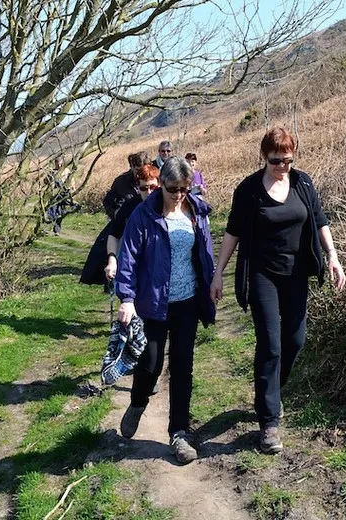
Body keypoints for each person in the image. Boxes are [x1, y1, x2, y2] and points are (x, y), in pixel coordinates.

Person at [210, 127, 346, 455]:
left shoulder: (303, 183)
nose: (282, 166)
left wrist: (333, 257)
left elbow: (319, 220)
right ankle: (269, 422)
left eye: (288, 160)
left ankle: (269, 391)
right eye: (276, 161)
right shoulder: (248, 190)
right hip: (263, 275)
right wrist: (218, 274)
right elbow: (233, 232)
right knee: (270, 345)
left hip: (296, 274)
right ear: (264, 157)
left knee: (295, 341)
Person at [115, 156, 216, 464]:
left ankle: (180, 433)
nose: (179, 195)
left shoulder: (196, 210)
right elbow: (128, 257)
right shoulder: (144, 215)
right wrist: (127, 298)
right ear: (161, 184)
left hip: (188, 302)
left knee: (183, 367)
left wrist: (212, 281)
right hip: (152, 304)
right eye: (173, 189)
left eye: (184, 189)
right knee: (150, 364)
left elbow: (205, 249)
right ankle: (138, 402)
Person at [80, 165, 160, 287]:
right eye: (144, 188)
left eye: (153, 187)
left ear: (159, 185)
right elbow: (114, 234)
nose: (149, 192)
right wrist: (112, 260)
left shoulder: (167, 205)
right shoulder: (130, 206)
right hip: (135, 265)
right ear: (138, 188)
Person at [102, 151, 152, 218]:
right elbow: (108, 202)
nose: (140, 174)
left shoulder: (156, 180)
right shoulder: (121, 182)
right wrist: (115, 214)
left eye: (143, 170)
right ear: (132, 167)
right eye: (137, 170)